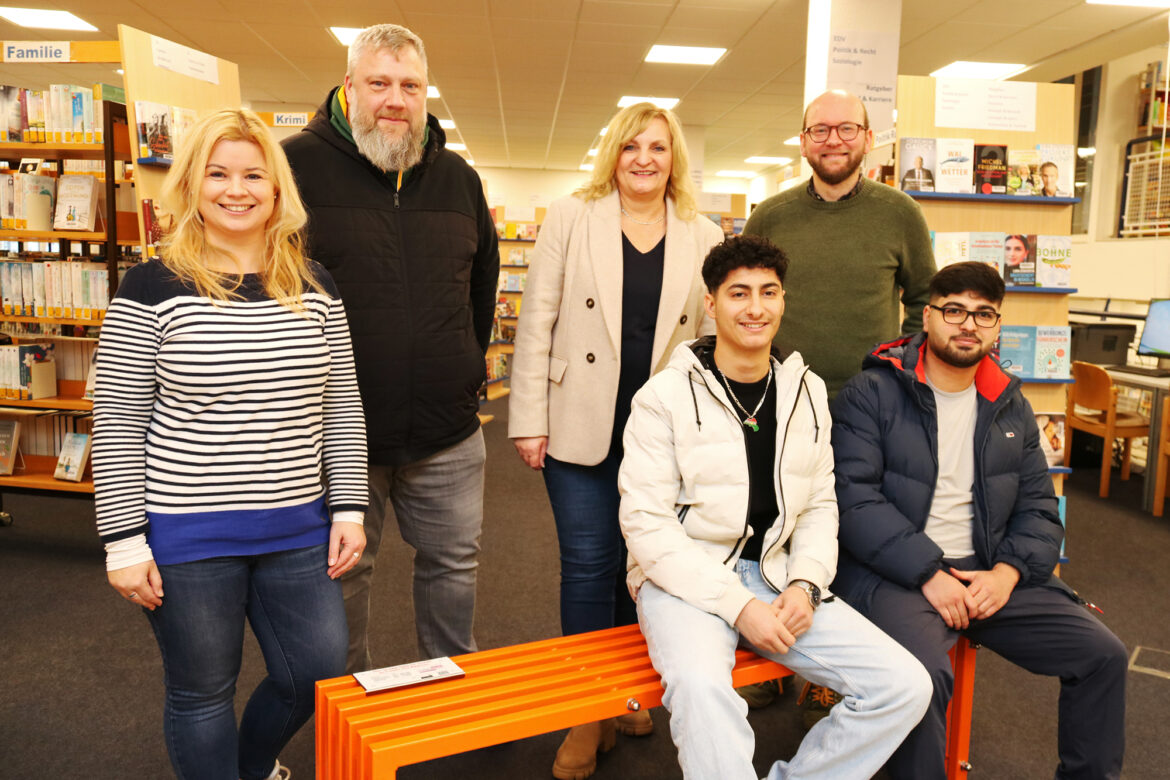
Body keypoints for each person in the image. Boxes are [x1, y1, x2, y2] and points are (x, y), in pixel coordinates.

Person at [92, 108, 368, 780]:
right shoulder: (152, 286)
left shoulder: (315, 287)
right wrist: (124, 543)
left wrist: (351, 509)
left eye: (252, 174)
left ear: (277, 190)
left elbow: (342, 408)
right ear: (191, 185)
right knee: (202, 692)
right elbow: (119, 421)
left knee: (316, 674)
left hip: (298, 528)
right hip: (188, 534)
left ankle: (251, 768)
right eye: (217, 173)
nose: (235, 189)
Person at [618, 234, 931, 780]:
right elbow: (646, 525)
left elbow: (819, 504)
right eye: (739, 294)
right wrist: (737, 606)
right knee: (701, 689)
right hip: (684, 581)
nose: (756, 308)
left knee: (904, 686)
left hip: (778, 576)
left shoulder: (805, 391)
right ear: (711, 304)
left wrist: (806, 584)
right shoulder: (661, 398)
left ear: (784, 300)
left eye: (769, 292)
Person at [830, 261, 1127, 780]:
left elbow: (1038, 508)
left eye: (983, 314)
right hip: (897, 573)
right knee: (921, 677)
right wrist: (928, 572)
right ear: (927, 317)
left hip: (989, 572)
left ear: (996, 327)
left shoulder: (1010, 406)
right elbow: (852, 501)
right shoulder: (871, 393)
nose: (968, 324)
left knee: (1103, 654)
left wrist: (1008, 573)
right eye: (955, 310)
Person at [508, 102, 724, 778]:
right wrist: (528, 417)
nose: (644, 159)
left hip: (662, 436)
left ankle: (626, 689)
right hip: (577, 424)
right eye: (632, 146)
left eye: (658, 148)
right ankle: (585, 712)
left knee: (645, 571)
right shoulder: (573, 217)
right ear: (614, 154)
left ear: (673, 158)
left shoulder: (703, 233)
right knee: (588, 567)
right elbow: (536, 317)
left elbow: (712, 344)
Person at [282, 23, 499, 670]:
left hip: (448, 433)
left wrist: (461, 371)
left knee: (454, 567)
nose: (395, 100)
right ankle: (347, 714)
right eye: (379, 83)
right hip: (336, 436)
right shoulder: (294, 167)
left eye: (411, 85)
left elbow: (480, 291)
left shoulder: (459, 178)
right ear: (349, 87)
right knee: (343, 576)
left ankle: (453, 686)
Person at [744, 89, 936, 400]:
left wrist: (902, 364)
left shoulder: (902, 213)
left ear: (868, 139)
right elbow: (741, 300)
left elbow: (924, 298)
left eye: (847, 128)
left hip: (874, 400)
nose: (834, 140)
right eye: (820, 130)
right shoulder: (768, 217)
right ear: (804, 143)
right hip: (780, 397)